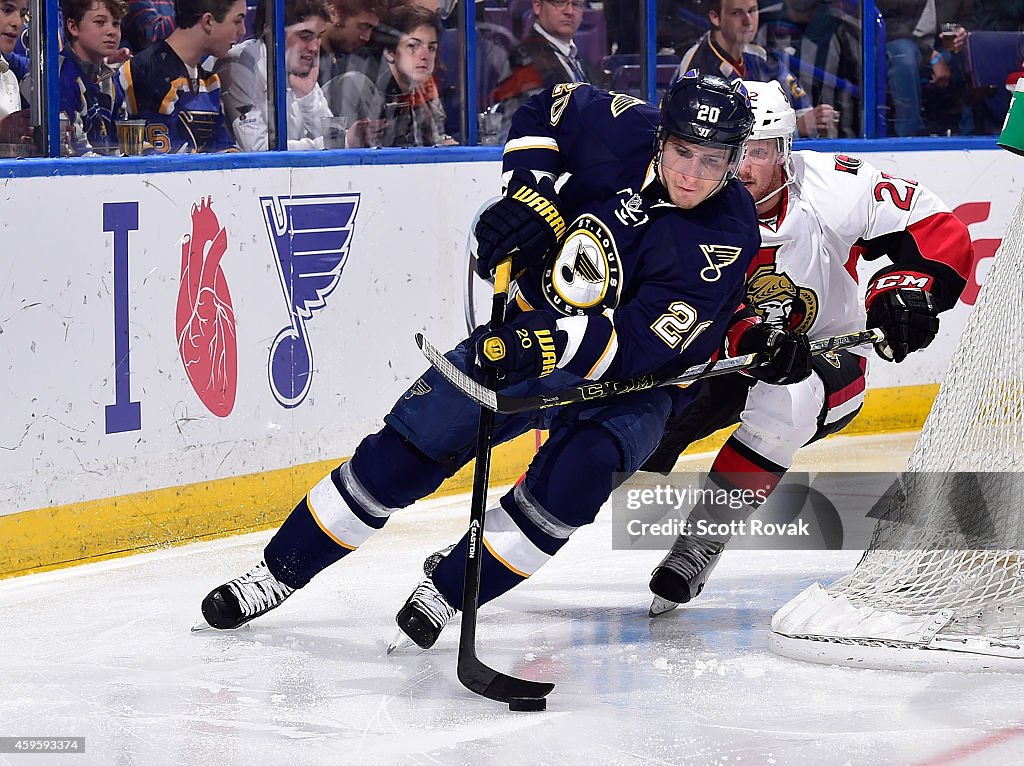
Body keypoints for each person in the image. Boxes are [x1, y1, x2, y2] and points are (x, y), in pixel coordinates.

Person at [194, 73, 806, 651]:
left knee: (568, 486)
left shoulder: (728, 231)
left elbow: (639, 345)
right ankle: (277, 572)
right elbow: (544, 108)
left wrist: (538, 344)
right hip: (526, 330)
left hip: (636, 385)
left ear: (734, 159)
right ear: (660, 136)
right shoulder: (620, 124)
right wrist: (532, 195)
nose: (693, 175)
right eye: (682, 152)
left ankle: (448, 593)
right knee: (406, 452)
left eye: (714, 161)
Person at [642, 79, 975, 617]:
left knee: (786, 402)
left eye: (760, 150)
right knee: (622, 438)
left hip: (822, 359)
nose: (743, 167)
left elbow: (932, 223)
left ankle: (701, 541)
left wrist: (908, 289)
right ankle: (498, 536)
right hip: (712, 356)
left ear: (785, 151)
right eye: (735, 148)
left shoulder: (831, 188)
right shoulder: (673, 194)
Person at [677, 0, 837, 138]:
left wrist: (817, 119)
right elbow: (699, 136)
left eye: (752, 11)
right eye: (736, 13)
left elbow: (802, 107)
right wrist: (795, 129)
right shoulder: (697, 66)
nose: (748, 21)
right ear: (715, 18)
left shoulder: (759, 56)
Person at [119, 0, 246, 152]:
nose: (243, 31)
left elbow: (224, 147)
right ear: (208, 21)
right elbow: (165, 162)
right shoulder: (147, 71)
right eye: (237, 21)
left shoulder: (209, 81)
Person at [324, 4, 452, 147]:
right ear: (390, 53)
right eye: (413, 46)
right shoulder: (354, 85)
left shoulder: (420, 89)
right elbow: (343, 156)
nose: (425, 56)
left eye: (431, 48)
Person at [216, 0, 334, 151]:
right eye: (305, 36)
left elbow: (333, 139)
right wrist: (324, 144)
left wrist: (307, 97)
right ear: (271, 29)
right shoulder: (238, 66)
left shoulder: (300, 66)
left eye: (319, 37)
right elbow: (259, 150)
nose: (314, 47)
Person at [491, 0, 595, 126]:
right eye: (560, 2)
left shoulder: (583, 61)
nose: (570, 11)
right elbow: (518, 132)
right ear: (537, 5)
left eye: (577, 4)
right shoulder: (523, 61)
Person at [59, 0, 130, 155]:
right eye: (100, 22)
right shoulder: (61, 76)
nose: (112, 31)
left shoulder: (110, 78)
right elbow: (76, 154)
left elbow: (119, 146)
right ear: (73, 27)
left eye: (116, 24)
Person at [876, 0, 950, 137]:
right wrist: (929, 54)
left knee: (969, 55)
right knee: (905, 56)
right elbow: (887, 24)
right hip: (895, 44)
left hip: (939, 48)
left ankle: (971, 133)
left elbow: (973, 18)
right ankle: (911, 135)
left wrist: (964, 34)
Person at [317, 0, 381, 86]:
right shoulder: (305, 61)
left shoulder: (356, 62)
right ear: (334, 14)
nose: (366, 38)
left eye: (371, 29)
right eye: (363, 27)